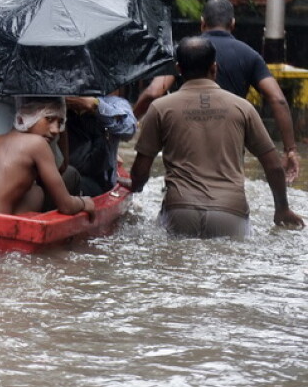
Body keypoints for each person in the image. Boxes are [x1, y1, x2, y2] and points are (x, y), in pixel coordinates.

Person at [130, 37, 303, 239]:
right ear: (214, 68)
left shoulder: (160, 108)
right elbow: (273, 166)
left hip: (180, 211)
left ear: (178, 68)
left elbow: (141, 170)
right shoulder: (242, 108)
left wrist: (134, 188)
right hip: (231, 213)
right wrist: (281, 208)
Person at [133, 0, 300, 183]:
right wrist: (290, 149)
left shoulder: (183, 51)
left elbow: (154, 92)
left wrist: (128, 120)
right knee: (229, 188)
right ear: (233, 23)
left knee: (179, 186)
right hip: (229, 147)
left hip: (184, 140)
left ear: (203, 22)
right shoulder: (249, 55)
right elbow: (278, 99)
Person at [65, 93, 136, 196]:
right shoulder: (58, 103)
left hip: (99, 180)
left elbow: (129, 130)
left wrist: (95, 106)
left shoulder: (113, 103)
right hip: (65, 173)